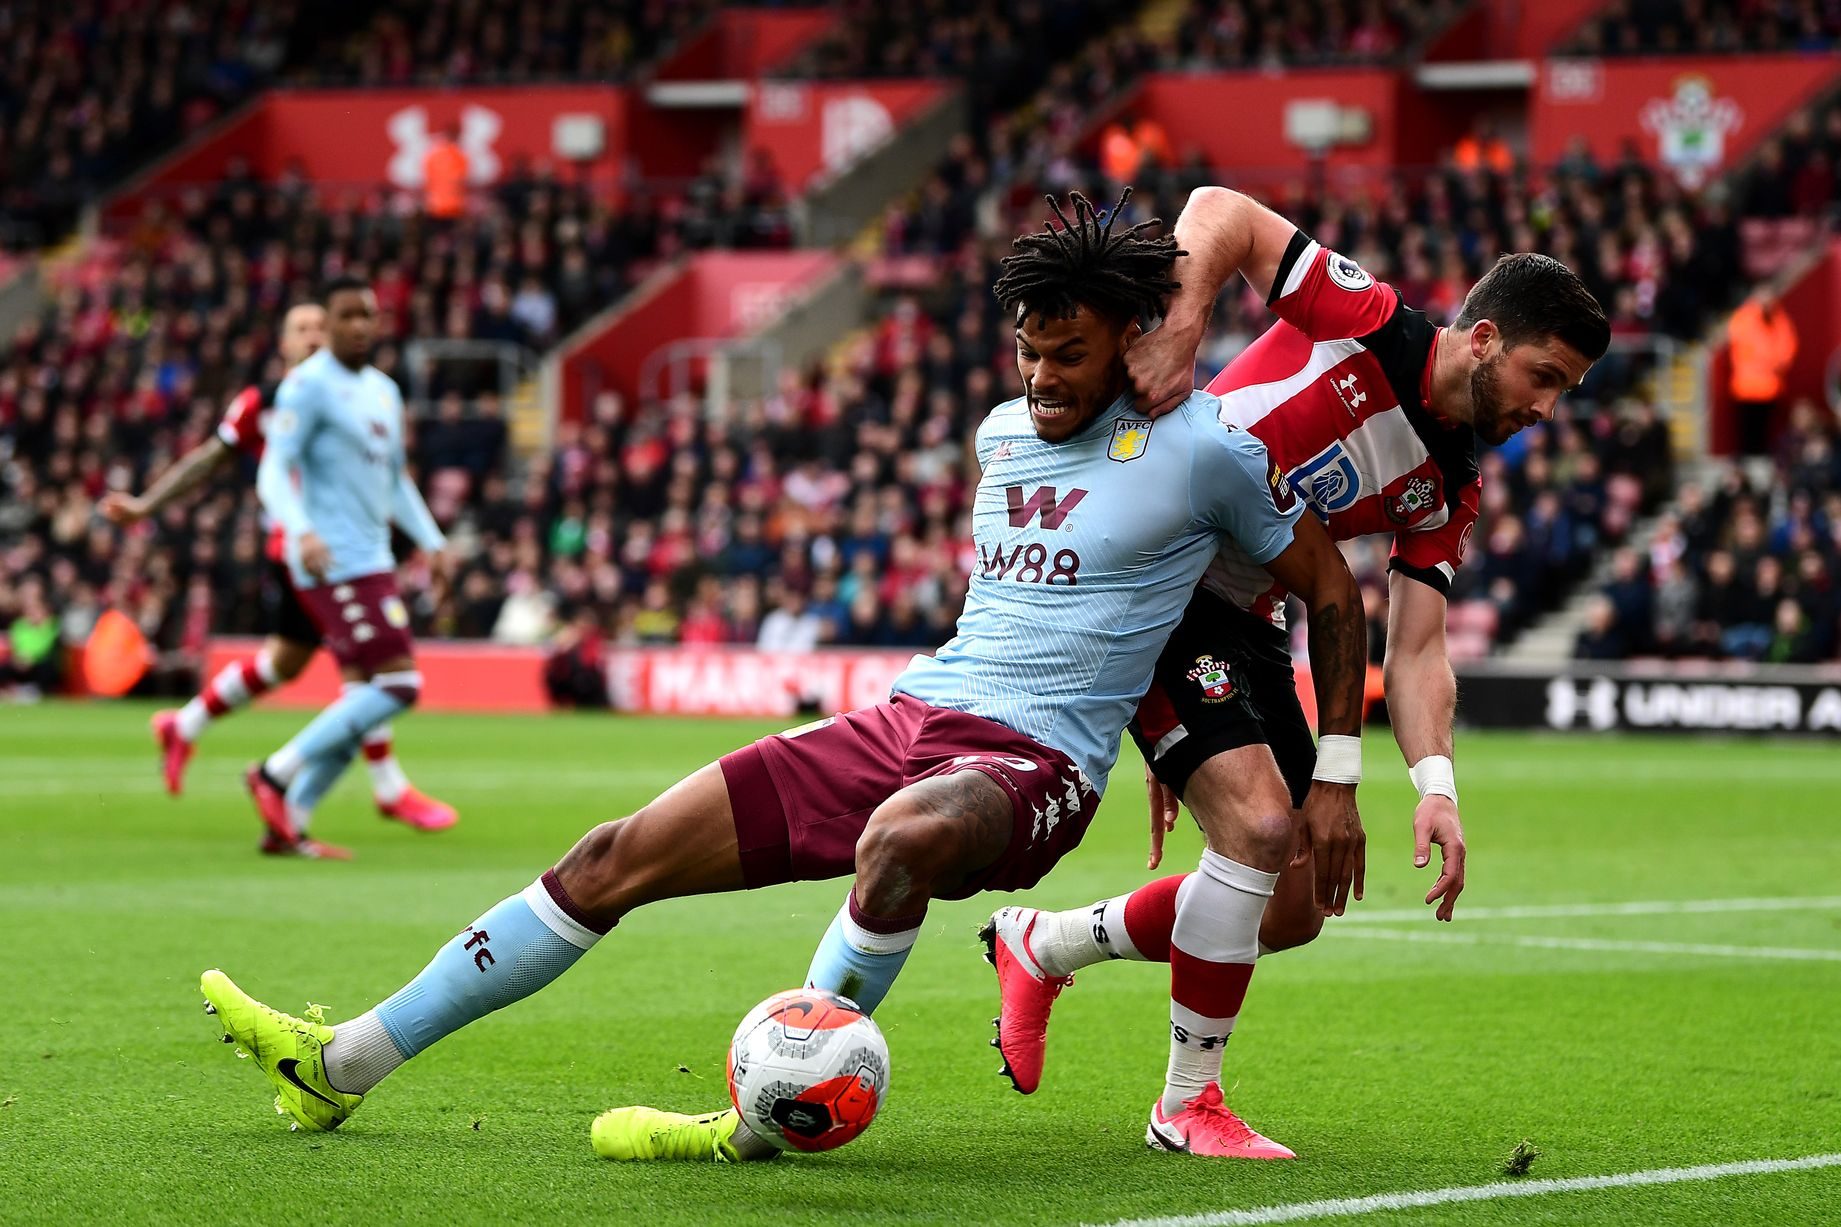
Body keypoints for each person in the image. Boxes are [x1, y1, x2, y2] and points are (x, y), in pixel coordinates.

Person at [196, 190, 1368, 1163]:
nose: (1042, 377)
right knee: (611, 858)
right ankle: (343, 1060)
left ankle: (764, 1116)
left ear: (1132, 342)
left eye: (1069, 354)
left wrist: (1330, 770)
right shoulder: (999, 435)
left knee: (904, 838)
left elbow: (1326, 591)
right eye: (1028, 351)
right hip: (912, 713)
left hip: (1033, 767)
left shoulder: (1206, 448)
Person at [983, 185, 1609, 1155]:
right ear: (1481, 338)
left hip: (1247, 614)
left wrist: (1433, 786)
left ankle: (1044, 945)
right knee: (1262, 822)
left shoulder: (1448, 487)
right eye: (1544, 375)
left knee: (1291, 906)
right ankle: (1185, 1105)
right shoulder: (1366, 320)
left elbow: (1414, 650)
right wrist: (1183, 325)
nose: (1544, 407)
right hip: (1154, 568)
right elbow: (1217, 210)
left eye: (1563, 391)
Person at [101, 305, 458, 837]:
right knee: (375, 675)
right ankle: (375, 787)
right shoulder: (264, 403)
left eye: (321, 326)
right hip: (304, 552)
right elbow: (208, 459)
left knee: (291, 664)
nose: (315, 336)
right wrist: (148, 505)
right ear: (283, 346)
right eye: (302, 330)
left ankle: (189, 725)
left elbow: (387, 473)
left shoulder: (356, 394)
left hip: (347, 551)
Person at [238, 276, 454, 859]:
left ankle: (291, 823)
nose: (359, 325)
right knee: (399, 682)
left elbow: (395, 481)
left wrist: (432, 542)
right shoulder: (307, 388)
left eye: (368, 315)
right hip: (330, 558)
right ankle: (275, 774)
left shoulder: (384, 390)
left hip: (373, 557)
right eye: (347, 316)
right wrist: (301, 530)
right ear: (328, 325)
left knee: (363, 694)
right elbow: (272, 472)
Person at [1727, 288, 1798, 458]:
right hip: (1747, 384)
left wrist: (1778, 362)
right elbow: (1744, 347)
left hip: (1770, 385)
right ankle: (1746, 454)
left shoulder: (1779, 319)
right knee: (1746, 424)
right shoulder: (1744, 318)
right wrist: (1769, 361)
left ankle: (1760, 453)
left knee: (1764, 425)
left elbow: (1788, 345)